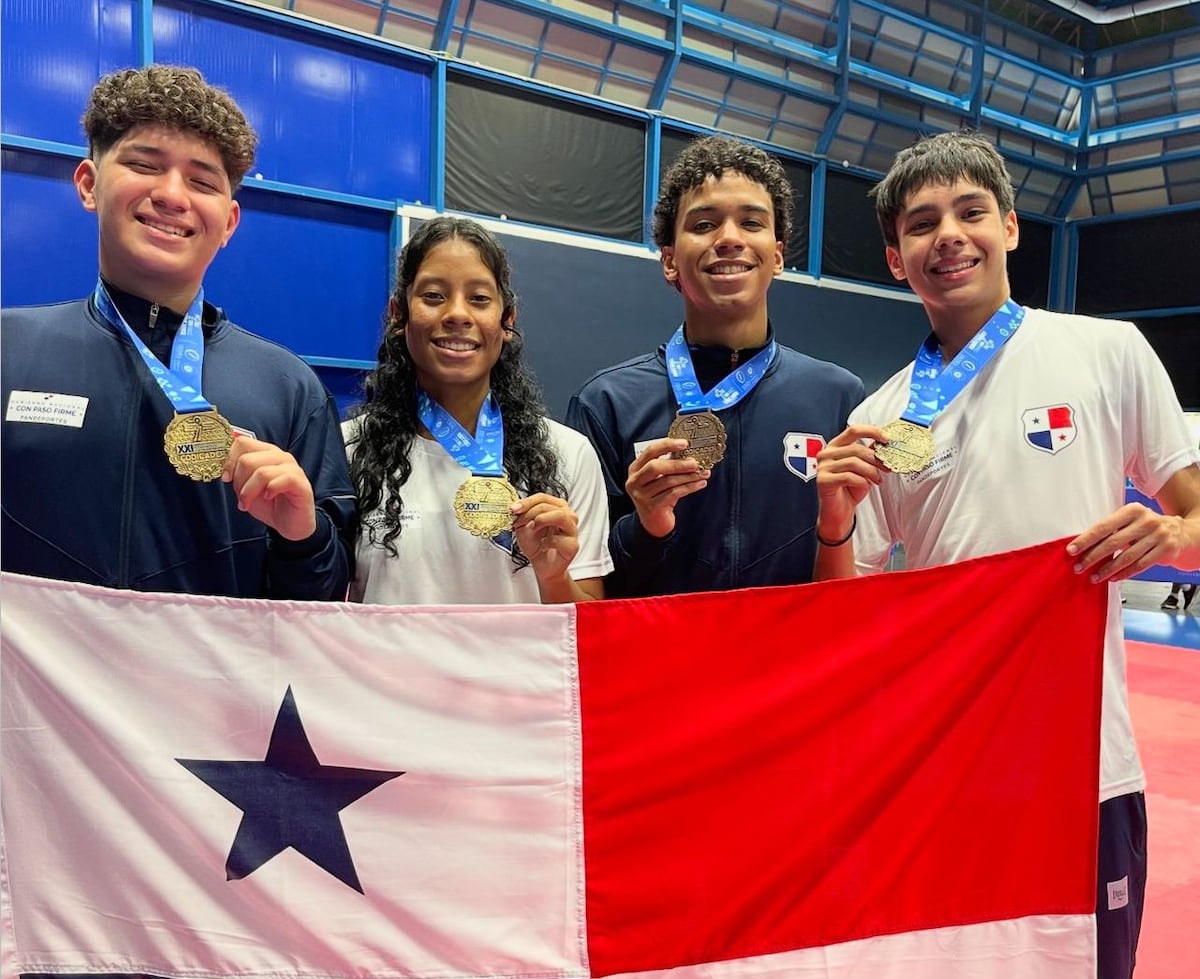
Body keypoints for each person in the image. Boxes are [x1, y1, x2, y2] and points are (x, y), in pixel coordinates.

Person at [813, 129, 1200, 979]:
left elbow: (1195, 509)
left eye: (968, 213)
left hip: (1084, 773)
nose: (950, 237)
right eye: (922, 224)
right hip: (946, 779)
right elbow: (857, 621)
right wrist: (837, 518)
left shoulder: (1105, 350)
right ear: (894, 257)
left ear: (1010, 226)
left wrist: (1173, 537)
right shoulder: (881, 417)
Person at [1, 65, 354, 599]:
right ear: (89, 184)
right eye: (145, 165)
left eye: (202, 181)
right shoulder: (9, 350)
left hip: (212, 683)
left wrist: (303, 537)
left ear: (229, 222)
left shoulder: (289, 389)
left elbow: (322, 601)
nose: (172, 195)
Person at [566, 135, 865, 597]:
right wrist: (644, 528)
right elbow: (591, 590)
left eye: (751, 222)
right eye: (704, 224)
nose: (729, 239)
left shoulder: (837, 396)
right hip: (661, 666)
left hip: (795, 666)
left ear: (778, 256)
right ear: (670, 260)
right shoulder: (607, 404)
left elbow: (856, 573)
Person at [344, 215, 611, 604]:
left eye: (480, 299)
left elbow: (588, 630)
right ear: (399, 314)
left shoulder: (569, 455)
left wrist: (552, 576)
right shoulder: (348, 450)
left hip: (521, 666)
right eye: (434, 296)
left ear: (507, 321)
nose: (457, 314)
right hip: (387, 667)